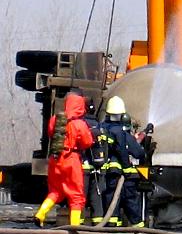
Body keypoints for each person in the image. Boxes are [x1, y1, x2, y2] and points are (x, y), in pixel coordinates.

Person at [34, 92, 94, 227]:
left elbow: (50, 133)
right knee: (76, 195)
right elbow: (87, 142)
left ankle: (41, 213)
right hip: (71, 159)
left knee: (55, 191)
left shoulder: (55, 119)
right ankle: (74, 226)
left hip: (55, 159)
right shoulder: (79, 124)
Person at [101, 96, 145, 227]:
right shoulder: (121, 132)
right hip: (121, 173)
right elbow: (138, 152)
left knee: (110, 197)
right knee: (130, 198)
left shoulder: (101, 128)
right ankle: (137, 224)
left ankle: (112, 223)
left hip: (103, 171)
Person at [81, 98, 106, 225]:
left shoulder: (81, 124)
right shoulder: (99, 126)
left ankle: (78, 222)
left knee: (80, 196)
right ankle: (98, 223)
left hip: (83, 166)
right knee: (97, 195)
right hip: (98, 167)